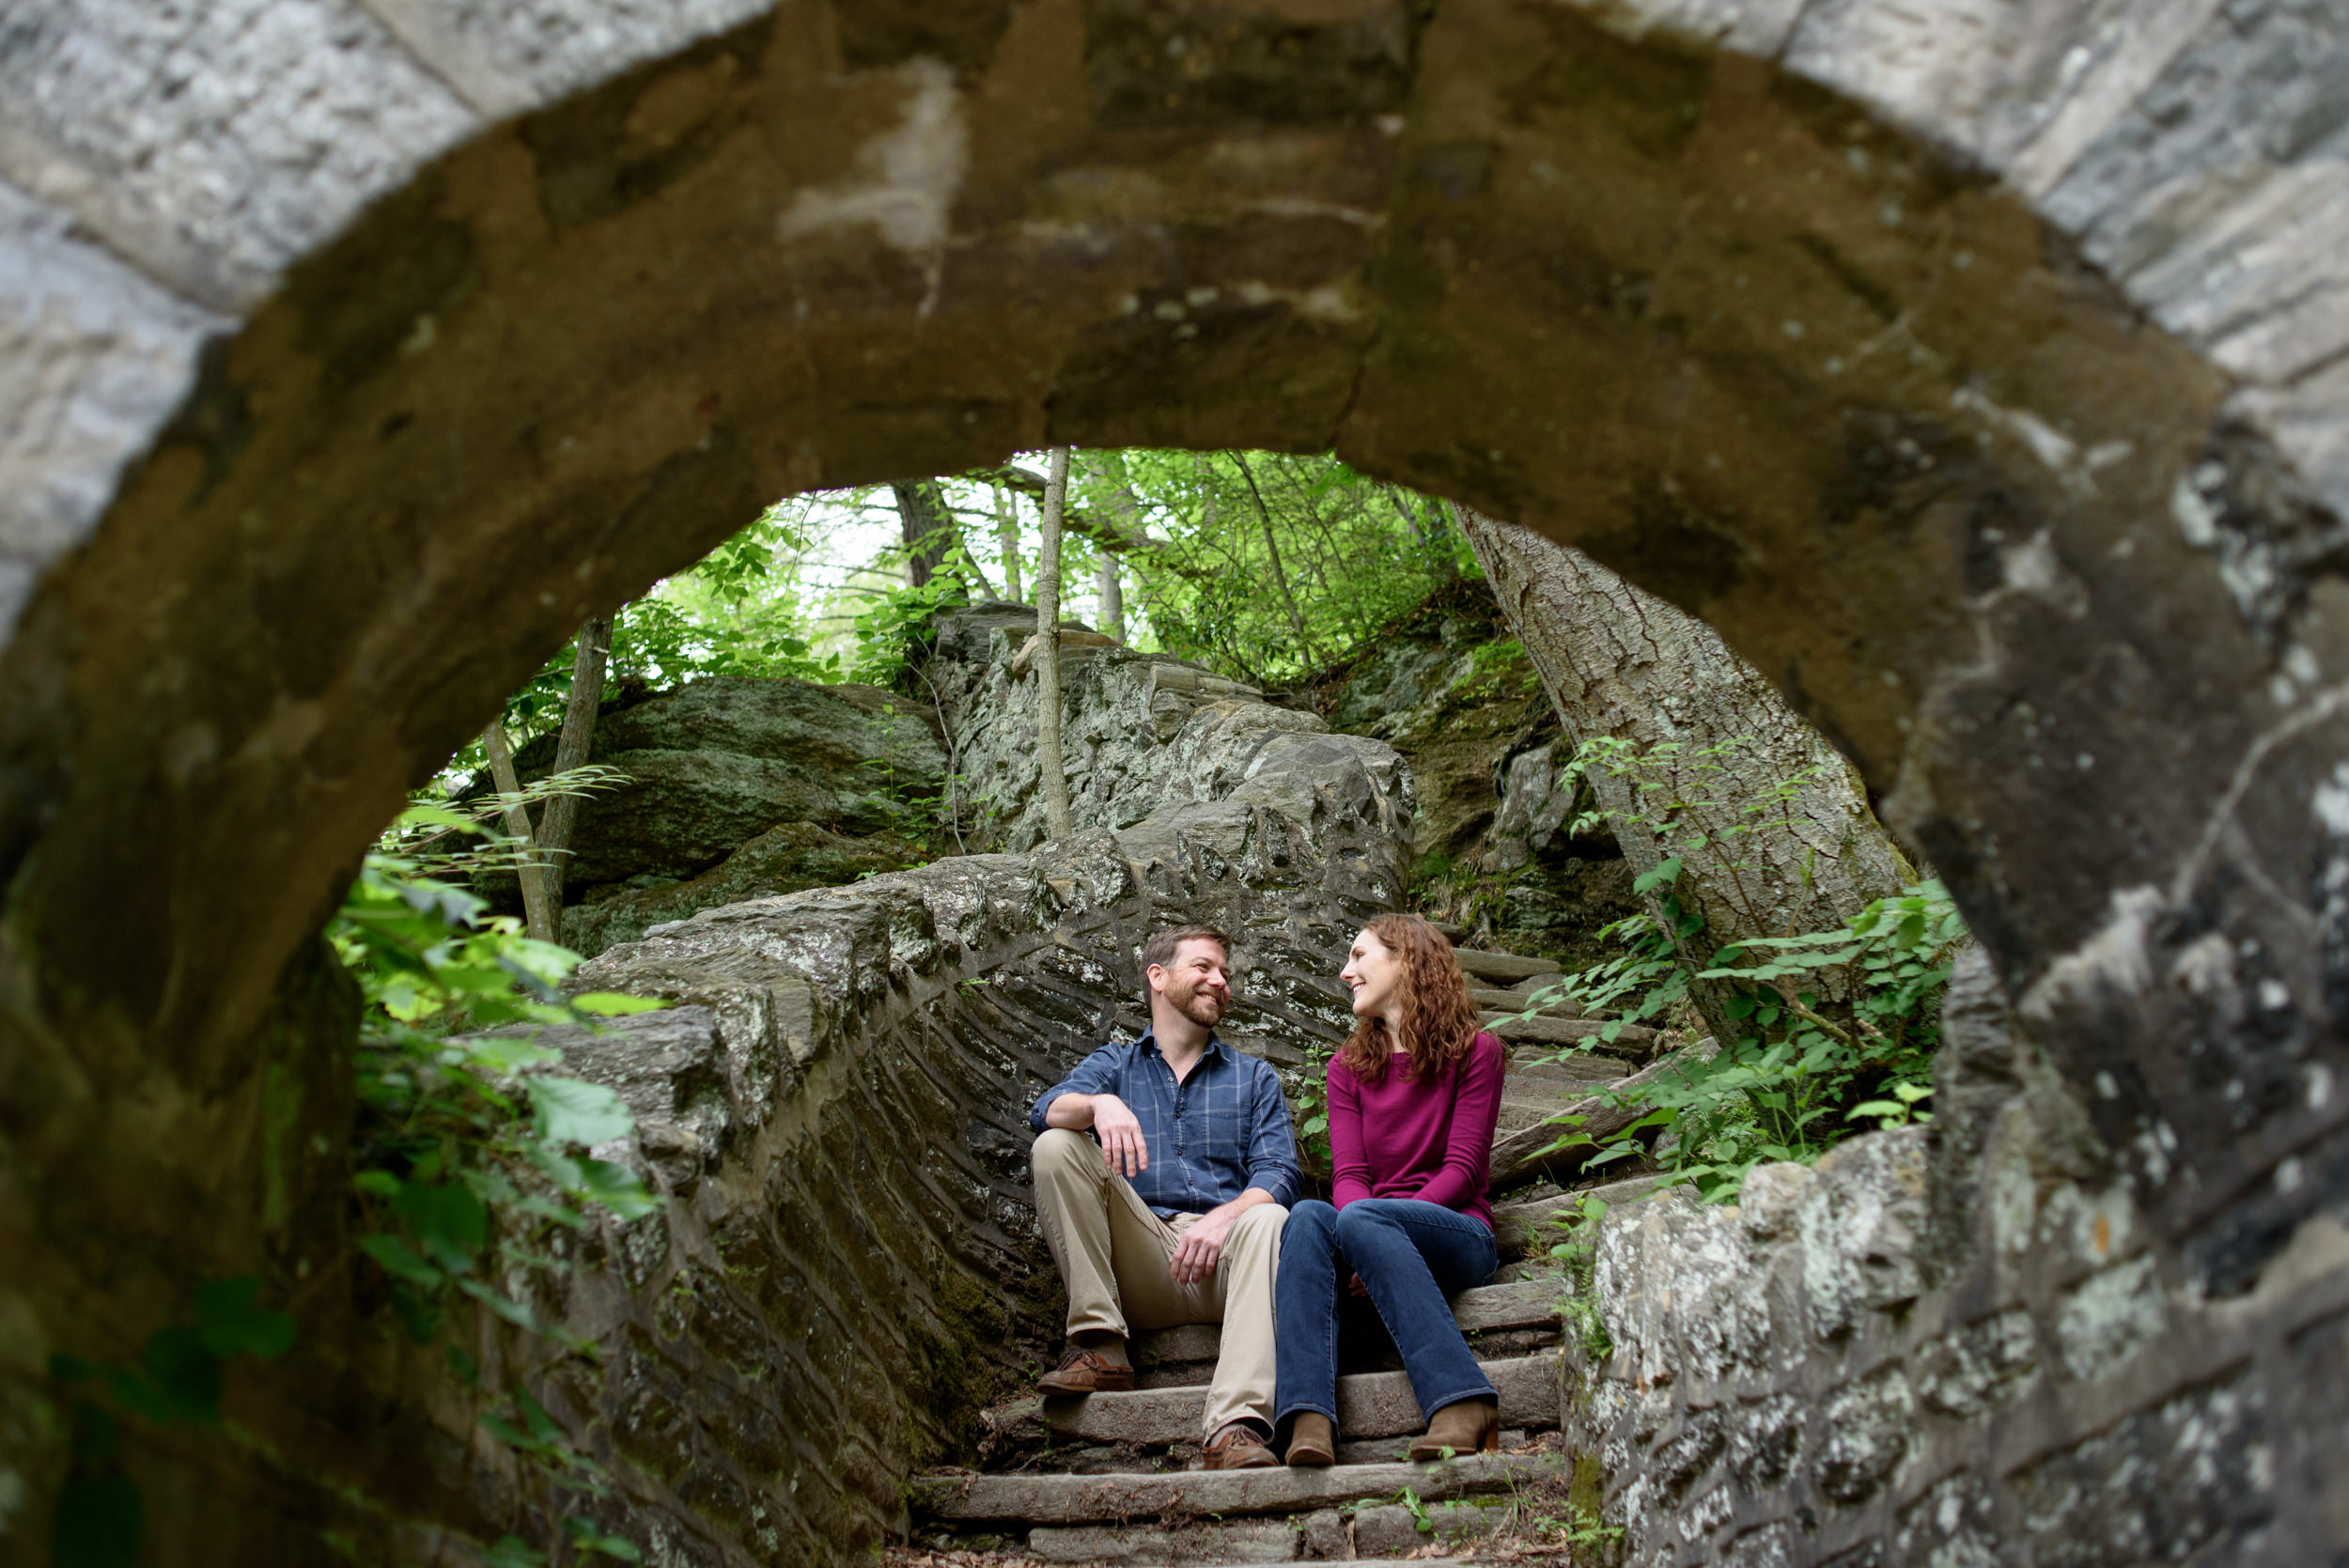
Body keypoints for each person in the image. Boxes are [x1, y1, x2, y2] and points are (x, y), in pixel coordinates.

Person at [1028, 924, 1300, 1470]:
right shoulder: (1117, 1064)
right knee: (1056, 1145)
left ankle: (1235, 1427)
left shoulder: (1254, 1077)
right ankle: (1101, 1345)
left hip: (1227, 1264)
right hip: (1143, 1261)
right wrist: (1099, 1105)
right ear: (1158, 976)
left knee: (1269, 1217)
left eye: (1225, 973)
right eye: (1203, 967)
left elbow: (1280, 1172)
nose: (1219, 981)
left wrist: (1225, 1219)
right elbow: (1046, 1109)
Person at [1274, 913, 1508, 1467]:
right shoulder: (1346, 1068)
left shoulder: (1478, 1052)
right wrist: (1365, 1239)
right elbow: (1350, 1177)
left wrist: (1371, 1230)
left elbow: (1463, 1170)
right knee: (1307, 1215)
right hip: (1370, 1231)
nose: (1344, 971)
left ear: (1406, 958)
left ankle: (1464, 1399)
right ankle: (1309, 1417)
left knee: (1360, 1219)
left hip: (1457, 1231)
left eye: (1359, 956)